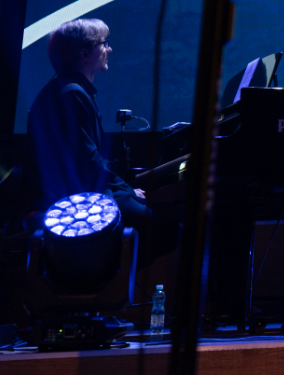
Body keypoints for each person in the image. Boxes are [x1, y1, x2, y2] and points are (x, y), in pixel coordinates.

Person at [26, 18, 174, 261]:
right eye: (104, 44)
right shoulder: (71, 94)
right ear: (84, 54)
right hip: (79, 202)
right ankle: (102, 281)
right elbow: (88, 162)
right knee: (166, 229)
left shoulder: (67, 90)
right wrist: (128, 191)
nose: (109, 49)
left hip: (81, 192)